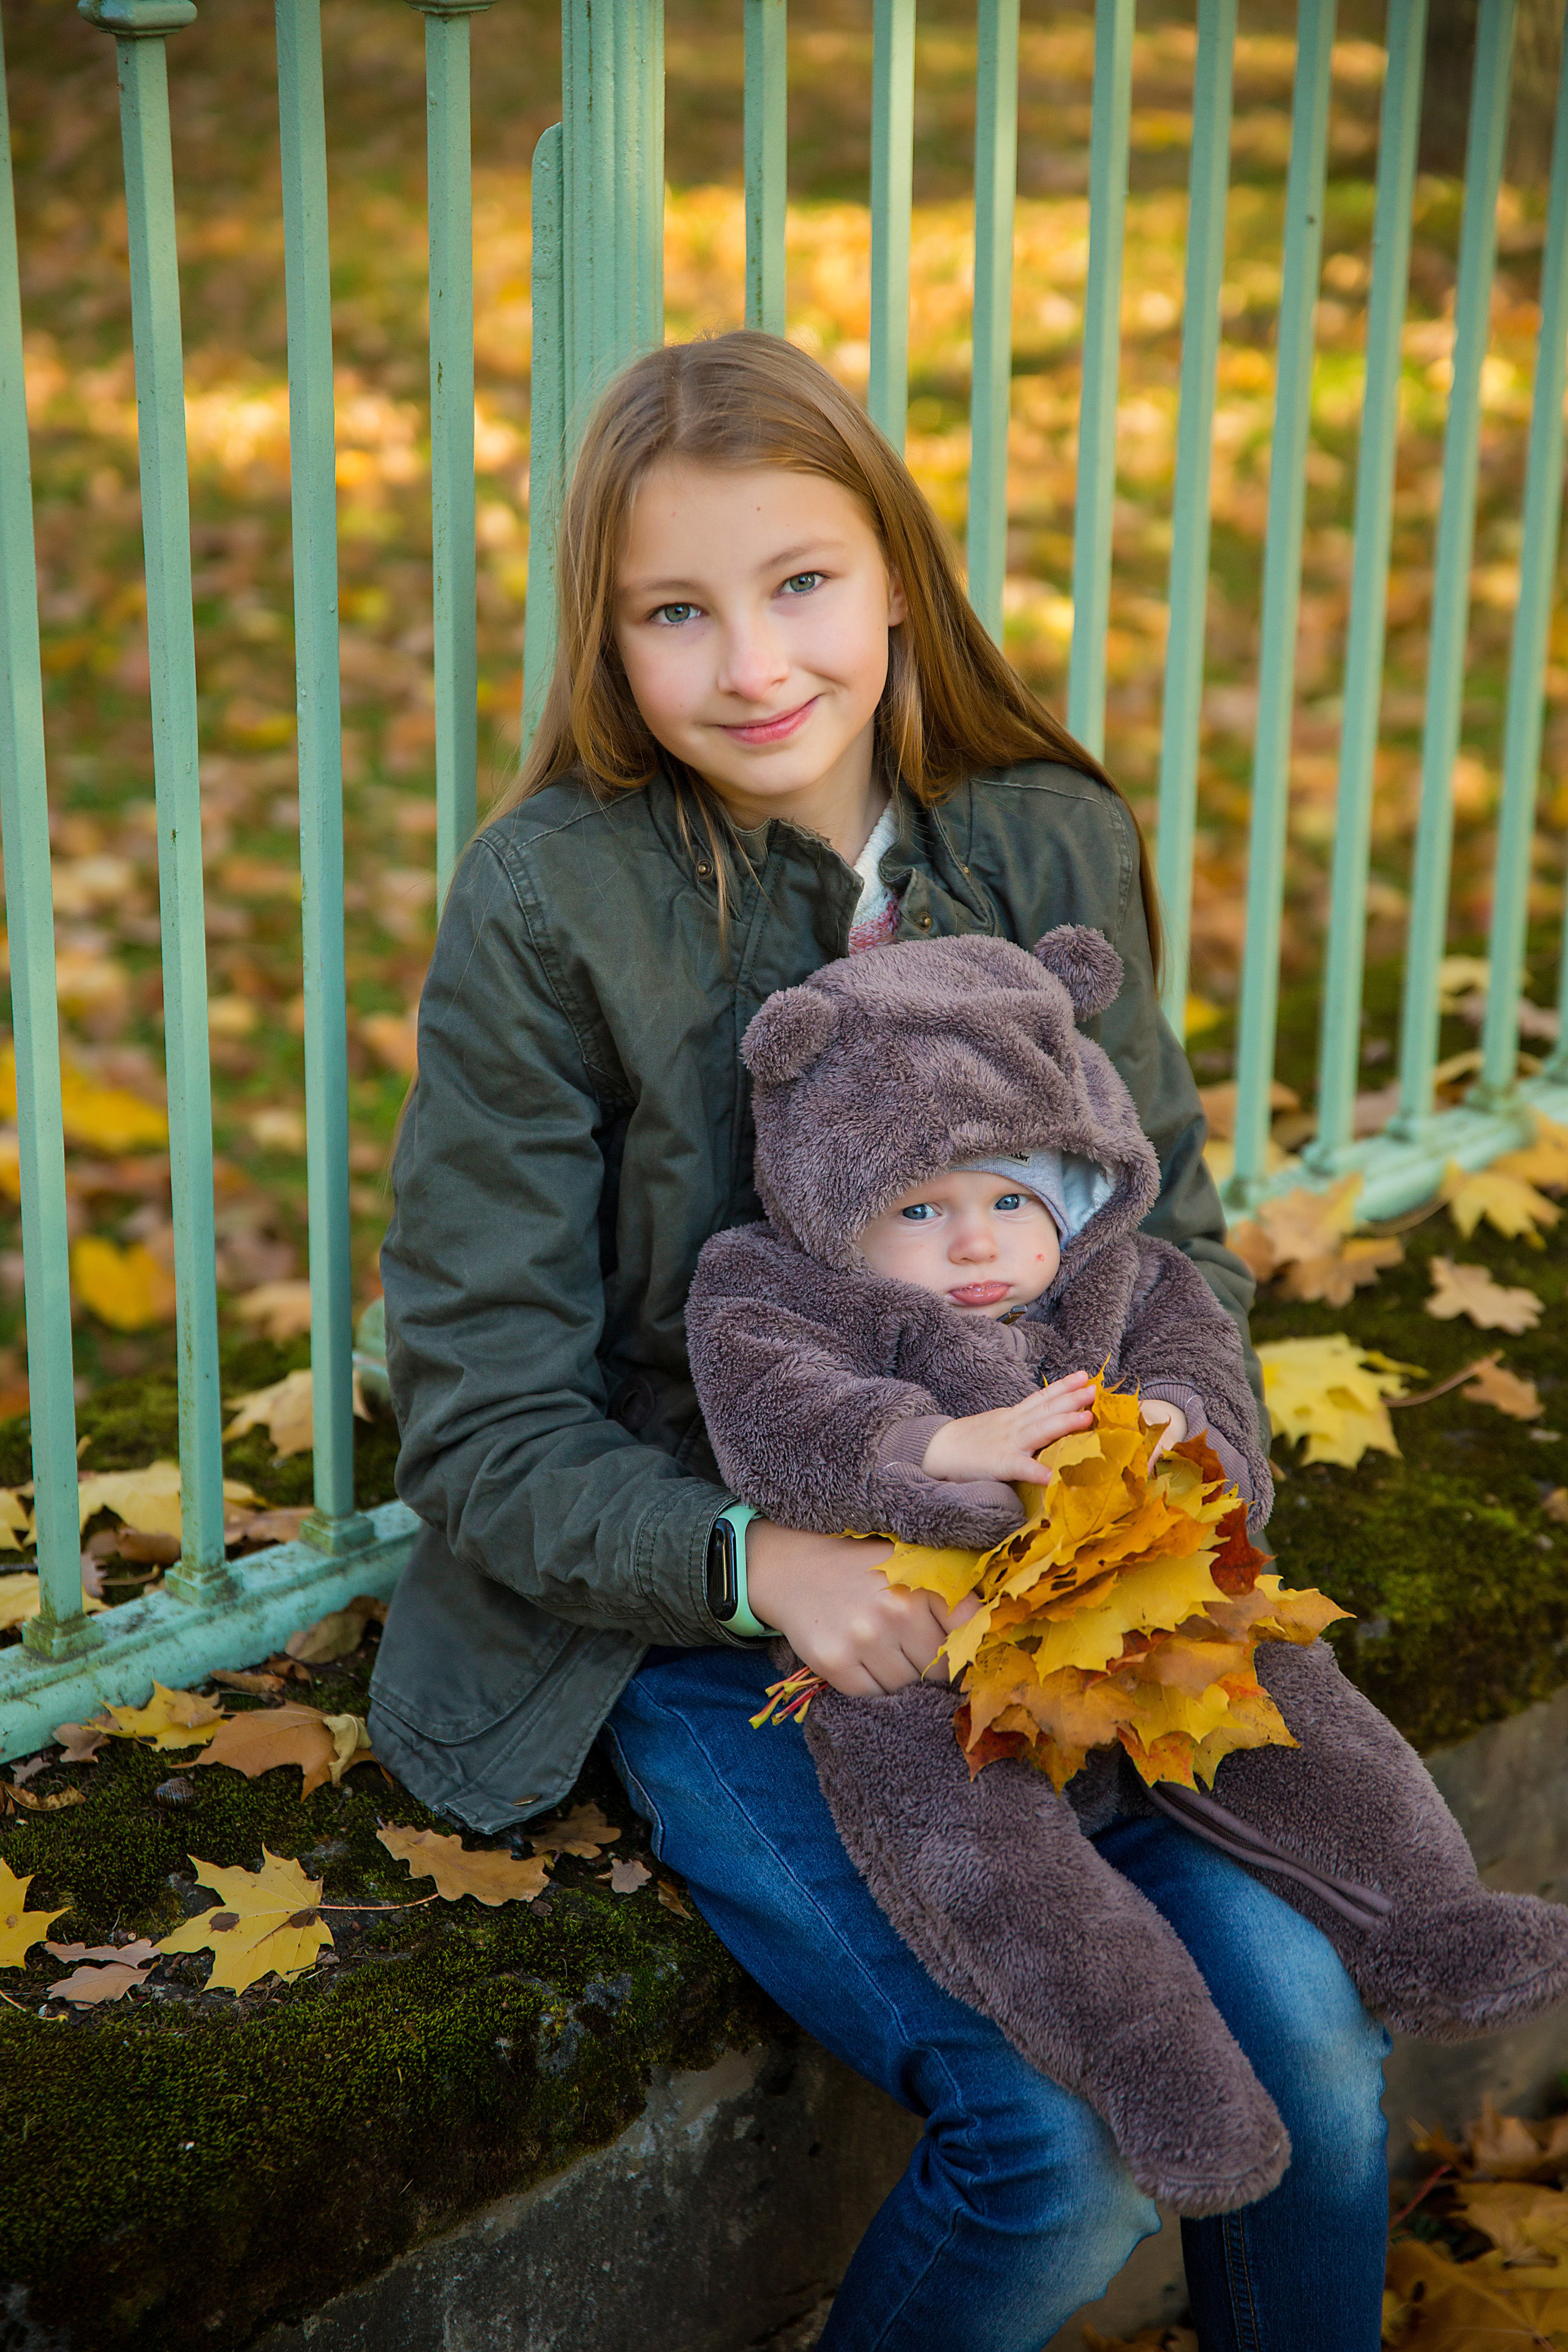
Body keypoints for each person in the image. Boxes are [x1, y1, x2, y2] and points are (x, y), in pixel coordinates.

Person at [369, 330, 1390, 2350]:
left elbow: (1168, 1235)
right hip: (706, 1620)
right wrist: (766, 1562)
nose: (754, 664)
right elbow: (480, 1414)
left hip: (1046, 1573)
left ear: (899, 578)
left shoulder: (1037, 837)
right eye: (680, 610)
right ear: (610, 632)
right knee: (1059, 2152)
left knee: (1317, 2060)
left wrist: (1177, 1461)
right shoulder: (552, 903)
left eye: (802, 585)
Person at [685, 921, 1568, 2223]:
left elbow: (1210, 1387)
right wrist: (936, 1446)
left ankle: (1425, 1922)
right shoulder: (771, 1286)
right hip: (924, 1643)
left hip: (1128, 1597)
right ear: (832, 1204)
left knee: (1292, 1704)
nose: (974, 1246)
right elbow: (778, 1414)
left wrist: (1178, 1435)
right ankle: (1160, 2079)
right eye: (918, 1211)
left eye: (1008, 1202)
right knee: (984, 1860)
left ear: (1075, 1193)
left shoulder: (1126, 1282)